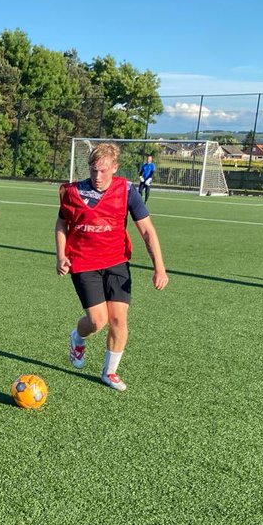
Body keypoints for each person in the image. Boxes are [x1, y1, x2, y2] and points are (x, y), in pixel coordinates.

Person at [56, 142, 168, 391]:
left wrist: (159, 268)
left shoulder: (127, 191)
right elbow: (61, 223)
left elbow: (147, 231)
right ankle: (78, 337)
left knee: (118, 318)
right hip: (83, 262)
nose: (97, 176)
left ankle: (110, 372)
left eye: (103, 170)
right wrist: (61, 255)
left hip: (117, 262)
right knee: (97, 321)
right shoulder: (73, 192)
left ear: (115, 168)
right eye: (93, 170)